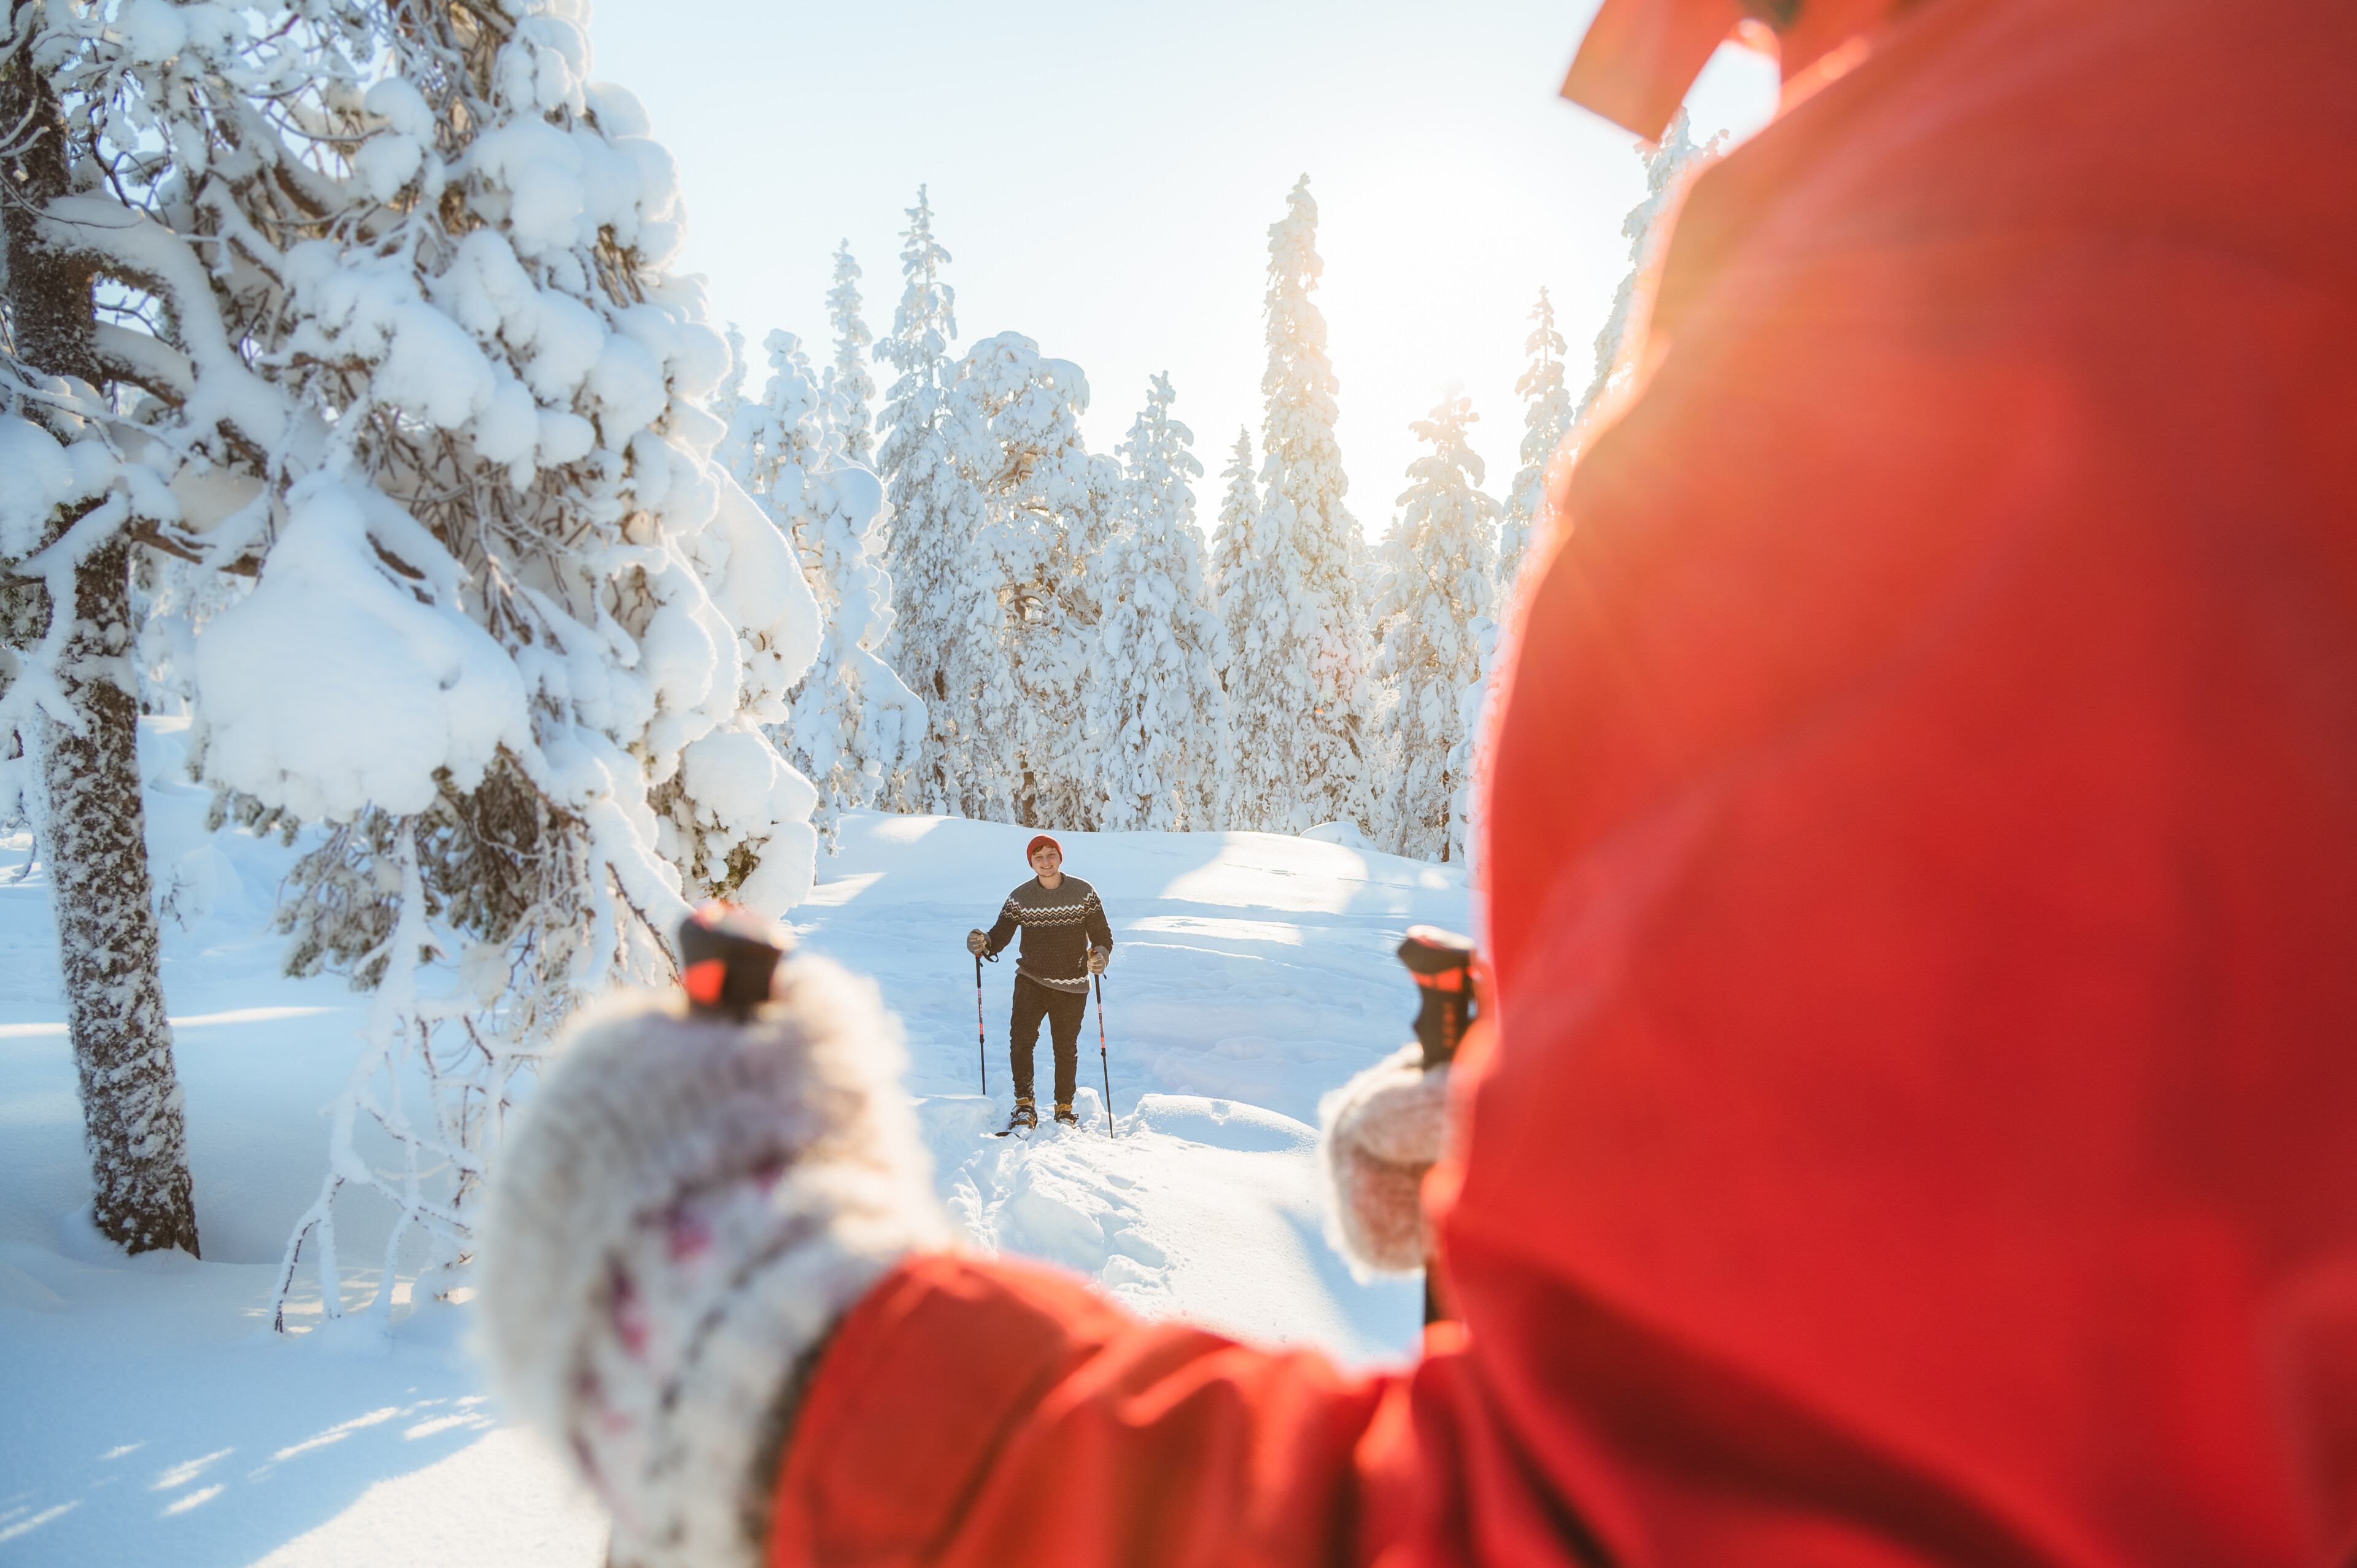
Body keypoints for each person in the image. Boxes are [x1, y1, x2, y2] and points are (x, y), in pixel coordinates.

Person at [481, 1, 2357, 1564]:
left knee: (1053, 1043)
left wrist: (784, 1377)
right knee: (1045, 1045)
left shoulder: (2039, 266)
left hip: (1062, 1025)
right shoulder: (2139, 158)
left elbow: (1762, 1499)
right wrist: (1645, 1123)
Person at [965, 834, 1112, 1130]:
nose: (1046, 862)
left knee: (1065, 1048)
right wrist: (983, 943)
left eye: (1050, 855)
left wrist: (1100, 956)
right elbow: (1000, 935)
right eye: (1039, 857)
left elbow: (1102, 936)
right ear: (1031, 863)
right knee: (1021, 1042)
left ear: (1060, 857)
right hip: (1031, 980)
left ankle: (1064, 1108)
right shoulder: (1020, 897)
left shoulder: (1084, 893)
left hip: (1072, 985)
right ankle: (1024, 1105)